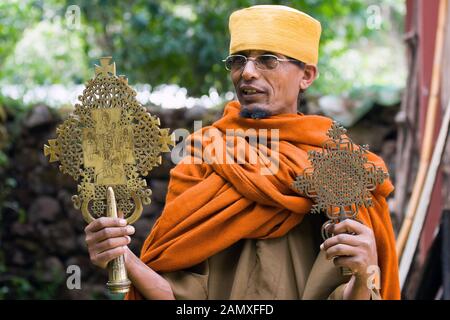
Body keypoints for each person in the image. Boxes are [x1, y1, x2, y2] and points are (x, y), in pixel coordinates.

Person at [84, 5, 400, 300]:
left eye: (267, 60)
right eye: (238, 60)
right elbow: (179, 295)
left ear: (306, 75)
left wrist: (362, 271)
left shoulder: (338, 165)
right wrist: (122, 257)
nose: (247, 72)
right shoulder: (204, 155)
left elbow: (353, 288)